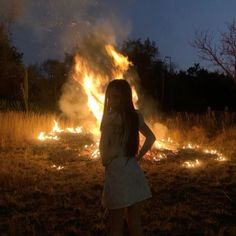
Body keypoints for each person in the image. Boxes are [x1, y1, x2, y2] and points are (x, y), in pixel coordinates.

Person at [99, 79, 156, 236]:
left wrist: (108, 159)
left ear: (125, 97)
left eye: (116, 97)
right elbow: (151, 138)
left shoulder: (109, 119)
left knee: (116, 228)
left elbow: (103, 152)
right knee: (135, 225)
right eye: (109, 97)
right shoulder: (135, 116)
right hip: (134, 173)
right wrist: (138, 157)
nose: (111, 101)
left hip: (117, 176)